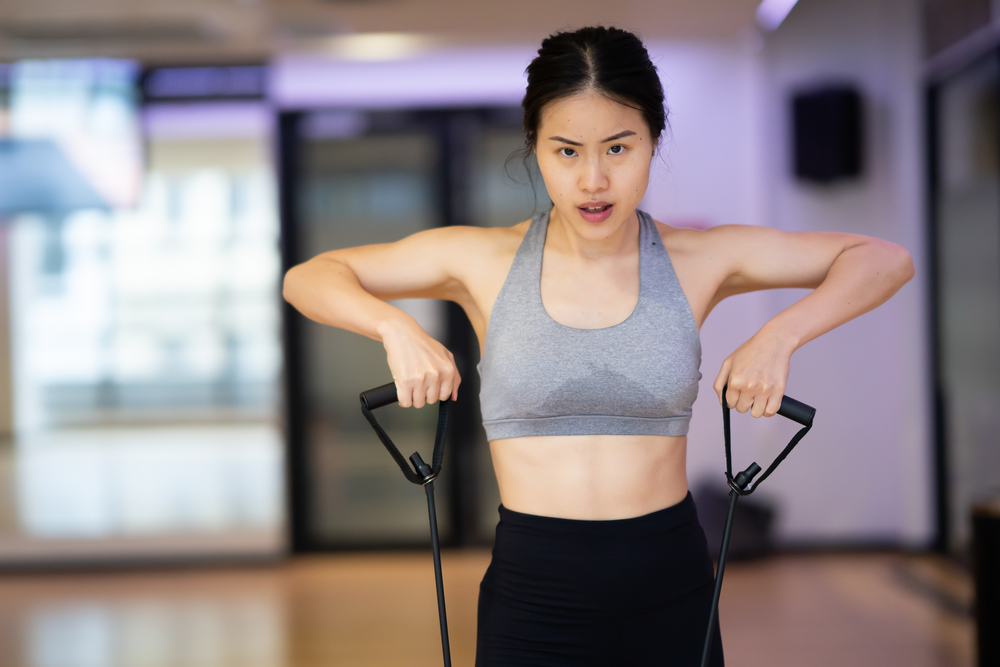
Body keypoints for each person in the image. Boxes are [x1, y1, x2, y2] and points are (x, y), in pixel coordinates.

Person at [283, 26, 914, 667]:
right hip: (532, 594)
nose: (593, 179)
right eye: (566, 151)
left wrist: (780, 335)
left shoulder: (699, 258)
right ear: (534, 147)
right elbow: (309, 277)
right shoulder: (481, 259)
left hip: (671, 586)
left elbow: (882, 259)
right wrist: (396, 328)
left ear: (652, 142)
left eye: (618, 147)